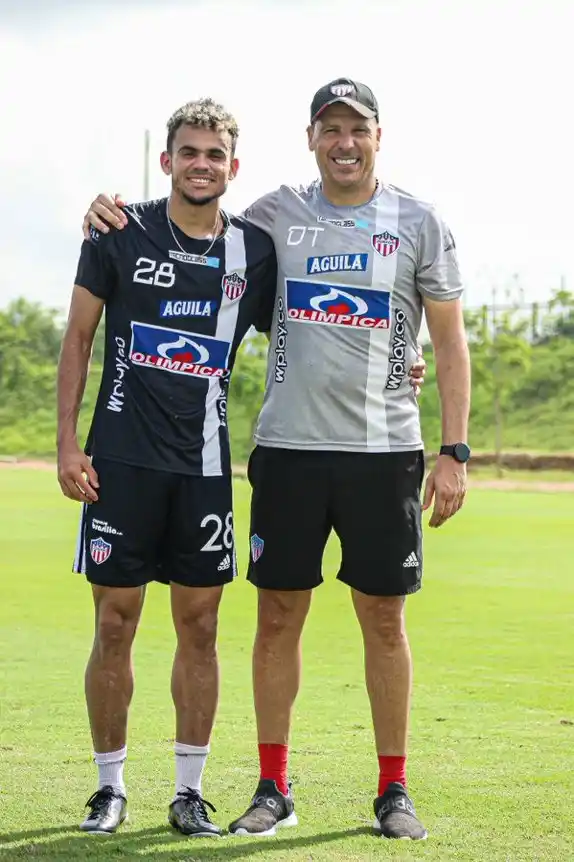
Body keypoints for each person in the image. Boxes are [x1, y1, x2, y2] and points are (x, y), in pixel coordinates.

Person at [82, 77, 461, 843]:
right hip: (285, 450)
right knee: (276, 615)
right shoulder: (274, 219)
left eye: (357, 129)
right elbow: (193, 221)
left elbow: (447, 342)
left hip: (386, 452)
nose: (344, 143)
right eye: (330, 129)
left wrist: (452, 450)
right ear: (311, 138)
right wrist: (104, 212)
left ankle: (393, 789)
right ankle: (272, 786)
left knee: (384, 620)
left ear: (379, 137)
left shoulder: (418, 220)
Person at [58, 97, 280, 837]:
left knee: (202, 627)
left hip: (205, 471)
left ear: (232, 167)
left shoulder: (255, 252)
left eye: (215, 155)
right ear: (167, 160)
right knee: (115, 625)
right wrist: (66, 442)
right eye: (189, 151)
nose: (201, 164)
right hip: (120, 464)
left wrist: (398, 360)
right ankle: (109, 788)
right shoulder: (120, 230)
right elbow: (79, 336)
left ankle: (189, 792)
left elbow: (306, 332)